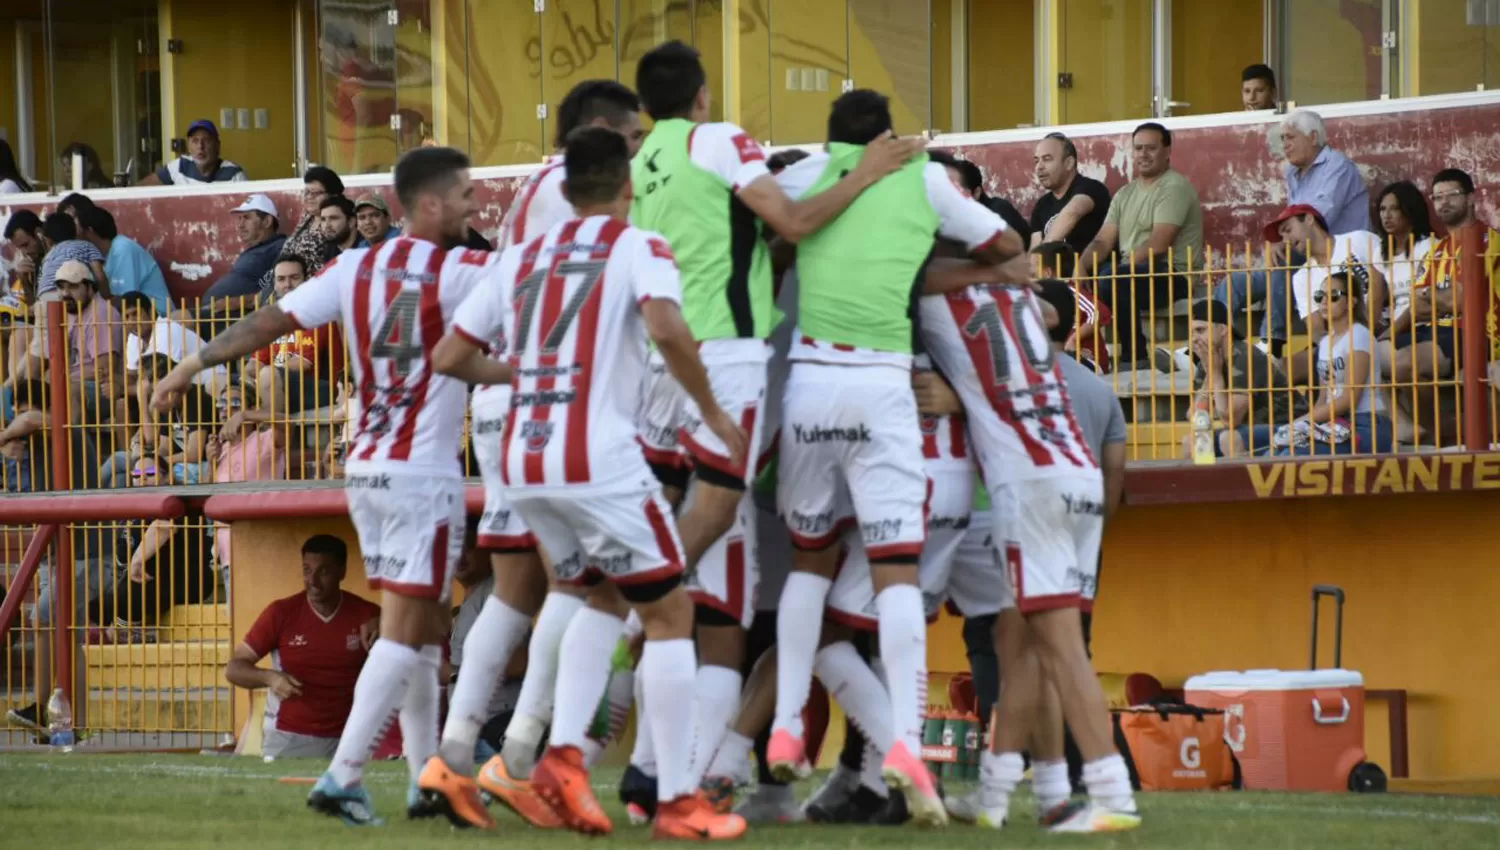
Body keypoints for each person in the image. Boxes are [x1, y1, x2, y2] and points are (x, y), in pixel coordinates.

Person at [149, 145, 499, 827]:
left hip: (365, 465)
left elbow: (269, 321)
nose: (474, 205)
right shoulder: (459, 269)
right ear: (430, 204)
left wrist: (190, 361)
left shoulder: (355, 267)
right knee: (408, 629)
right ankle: (344, 775)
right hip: (419, 472)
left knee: (424, 633)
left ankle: (427, 778)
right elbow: (542, 279)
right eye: (464, 195)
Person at [428, 126, 750, 839]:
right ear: (629, 186)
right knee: (667, 614)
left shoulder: (517, 259)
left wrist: (519, 376)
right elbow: (667, 329)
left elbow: (451, 354)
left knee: (596, 593)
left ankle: (557, 762)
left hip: (520, 456)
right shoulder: (638, 246)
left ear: (563, 192)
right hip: (596, 457)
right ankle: (674, 800)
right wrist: (713, 410)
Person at [629, 43, 923, 799]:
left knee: (742, 607)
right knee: (813, 610)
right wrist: (863, 176)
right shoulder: (733, 155)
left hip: (679, 375)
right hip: (746, 386)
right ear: (701, 96)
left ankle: (677, 772)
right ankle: (627, 638)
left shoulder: (650, 168)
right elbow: (790, 217)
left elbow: (758, 234)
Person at [424, 78, 648, 832]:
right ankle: (524, 757)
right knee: (583, 589)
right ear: (600, 134)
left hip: (513, 407)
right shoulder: (575, 201)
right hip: (551, 405)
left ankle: (453, 757)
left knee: (523, 589)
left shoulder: (537, 188)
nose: (638, 153)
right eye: (631, 137)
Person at [920, 271, 1139, 831]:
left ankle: (1114, 794)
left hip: (1033, 486)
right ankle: (996, 798)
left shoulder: (960, 320)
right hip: (1078, 486)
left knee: (1061, 650)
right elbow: (1043, 316)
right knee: (1023, 649)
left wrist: (956, 398)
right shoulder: (1034, 329)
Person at [1215, 110, 1370, 353]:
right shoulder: (1294, 173)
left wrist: (1282, 241)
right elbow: (1293, 223)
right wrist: (1278, 240)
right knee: (1232, 284)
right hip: (1306, 259)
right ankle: (1209, 346)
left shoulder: (1337, 166)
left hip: (1338, 260)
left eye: (1290, 137)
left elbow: (1317, 218)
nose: (1285, 145)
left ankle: (1272, 343)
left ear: (1313, 137)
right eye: (1283, 139)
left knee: (1283, 260)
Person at [225, 535, 380, 759]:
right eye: (307, 570)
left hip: (353, 736)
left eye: (323, 572)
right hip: (289, 736)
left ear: (342, 572)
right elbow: (234, 668)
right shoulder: (280, 613)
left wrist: (387, 626)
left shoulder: (368, 614)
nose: (312, 581)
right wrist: (270, 678)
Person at [1074, 122, 1204, 369]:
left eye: (1151, 148)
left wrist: (1115, 273)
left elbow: (1157, 244)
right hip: (1132, 275)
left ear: (1167, 151)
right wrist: (1080, 265)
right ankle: (1086, 354)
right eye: (1138, 148)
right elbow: (1103, 240)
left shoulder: (1174, 186)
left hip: (1173, 274)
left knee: (1113, 278)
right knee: (1100, 279)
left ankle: (1135, 357)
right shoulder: (1125, 194)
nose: (1143, 154)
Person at [1392, 168, 1500, 385]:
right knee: (1371, 360)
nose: (1444, 202)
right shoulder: (1437, 250)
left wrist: (1432, 297)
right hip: (1436, 333)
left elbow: (1460, 299)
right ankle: (1424, 422)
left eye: (1452, 195)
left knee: (1404, 364)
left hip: (1478, 334)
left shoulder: (1488, 240)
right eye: (1438, 197)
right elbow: (1416, 306)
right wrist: (1442, 298)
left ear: (1471, 198)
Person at [1275, 271, 1393, 455]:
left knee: (1291, 455)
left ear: (1352, 301)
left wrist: (1300, 423)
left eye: (1334, 296)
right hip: (1335, 423)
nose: (1324, 301)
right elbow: (1324, 398)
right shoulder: (1324, 343)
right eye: (1320, 296)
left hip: (1366, 424)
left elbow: (1348, 400)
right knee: (1275, 453)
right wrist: (1303, 427)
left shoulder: (1359, 335)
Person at [1178, 300, 1304, 459]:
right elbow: (1195, 416)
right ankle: (1206, 483)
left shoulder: (1245, 357)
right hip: (1250, 429)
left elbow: (1230, 419)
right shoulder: (1208, 357)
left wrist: (1215, 375)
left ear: (1223, 329)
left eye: (1200, 330)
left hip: (1289, 428)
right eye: (1191, 333)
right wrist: (1210, 375)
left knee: (1229, 439)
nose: (1194, 339)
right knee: (1191, 442)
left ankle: (1244, 483)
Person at [1261, 203, 1383, 348]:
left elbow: (1386, 282)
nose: (1286, 241)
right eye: (1282, 237)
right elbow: (1316, 330)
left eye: (1288, 230)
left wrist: (1361, 336)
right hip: (1340, 345)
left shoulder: (1359, 240)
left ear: (1309, 219)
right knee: (1290, 364)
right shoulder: (1301, 278)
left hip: (1385, 330)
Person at [78, 206, 171, 315]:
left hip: (158, 317)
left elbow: (126, 301)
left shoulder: (122, 247)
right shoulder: (99, 257)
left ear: (90, 232)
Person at [1029, 132, 1112, 253]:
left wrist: (1040, 259)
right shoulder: (1042, 205)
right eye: (1036, 161)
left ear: (1069, 163)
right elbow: (1034, 247)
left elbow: (1073, 212)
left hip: (1089, 269)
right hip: (1052, 271)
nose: (1039, 167)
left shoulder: (1091, 188)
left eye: (1047, 159)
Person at [1373, 180, 1437, 330]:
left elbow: (1426, 302)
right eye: (1382, 209)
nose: (1386, 216)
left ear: (1410, 211)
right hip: (1397, 329)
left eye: (1394, 208)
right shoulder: (1380, 252)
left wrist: (1388, 335)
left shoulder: (1429, 246)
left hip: (1426, 327)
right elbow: (1374, 302)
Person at [140, 120, 248, 185]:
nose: (200, 147)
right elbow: (143, 187)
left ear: (217, 145)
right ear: (189, 146)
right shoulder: (179, 166)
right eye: (195, 141)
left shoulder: (234, 174)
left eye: (206, 141)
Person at [283, 166, 345, 276]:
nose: (309, 197)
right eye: (306, 192)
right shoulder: (308, 217)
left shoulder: (340, 221)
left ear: (333, 195)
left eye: (316, 193)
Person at [37, 212, 108, 301]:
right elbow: (100, 276)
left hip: (44, 297)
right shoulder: (86, 246)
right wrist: (107, 295)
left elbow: (41, 280)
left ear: (48, 240)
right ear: (75, 231)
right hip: (70, 295)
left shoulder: (48, 256)